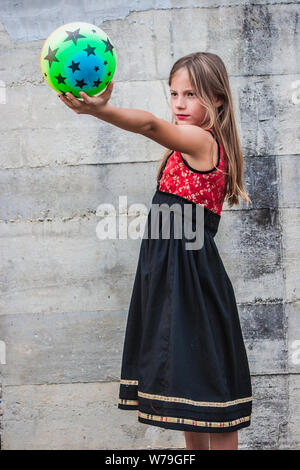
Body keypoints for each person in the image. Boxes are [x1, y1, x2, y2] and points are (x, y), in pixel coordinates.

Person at [58, 51, 253, 451]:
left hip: (193, 282)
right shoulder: (184, 148)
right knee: (188, 392)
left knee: (212, 389)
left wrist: (100, 111)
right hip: (169, 278)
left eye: (191, 95)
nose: (179, 104)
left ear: (217, 100)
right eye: (174, 93)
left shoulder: (202, 141)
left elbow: (148, 124)